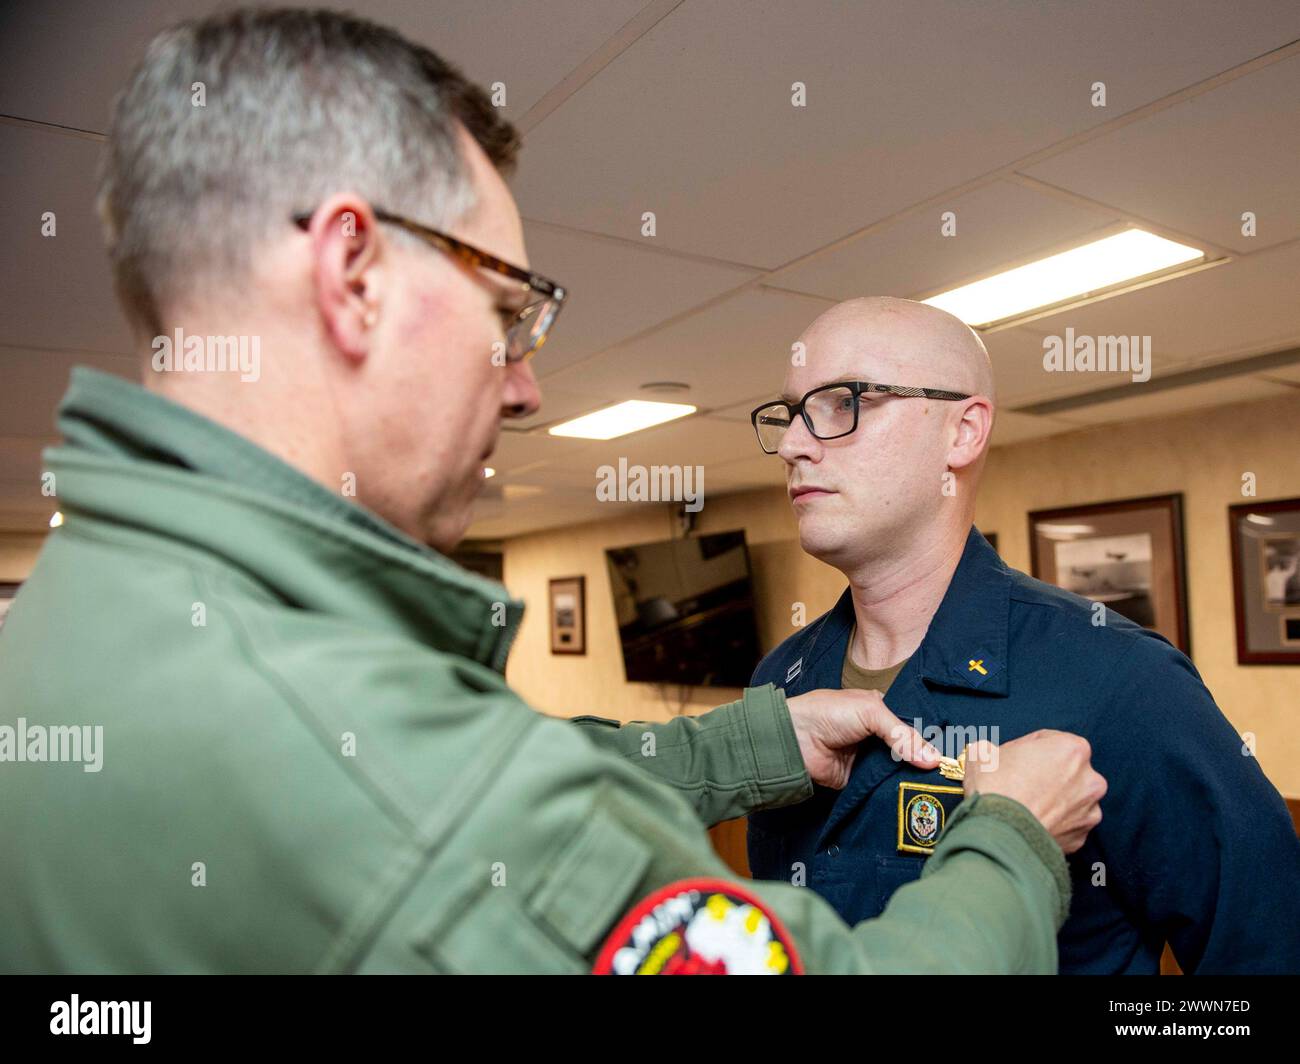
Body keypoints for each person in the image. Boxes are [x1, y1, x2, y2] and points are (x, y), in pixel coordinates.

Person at [0, 7, 1104, 975]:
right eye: (509, 311)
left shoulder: (80, 618)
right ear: (353, 275)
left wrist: (745, 746)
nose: (525, 386)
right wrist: (1007, 830)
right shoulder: (394, 770)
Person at [745, 295, 1300, 974]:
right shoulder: (780, 680)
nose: (796, 446)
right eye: (790, 415)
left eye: (841, 402)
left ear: (963, 432)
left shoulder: (1119, 680)